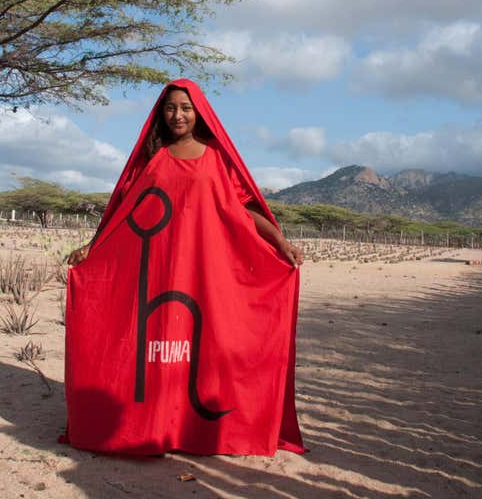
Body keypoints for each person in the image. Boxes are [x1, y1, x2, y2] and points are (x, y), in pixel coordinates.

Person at [61, 78, 305, 456]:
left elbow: (245, 210)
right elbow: (123, 212)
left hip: (204, 269)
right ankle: (157, 423)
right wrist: (92, 248)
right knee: (157, 347)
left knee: (204, 345)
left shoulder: (217, 158)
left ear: (199, 113)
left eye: (186, 108)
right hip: (159, 268)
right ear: (161, 113)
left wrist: (280, 242)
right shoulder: (152, 158)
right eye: (171, 108)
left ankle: (197, 427)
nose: (178, 115)